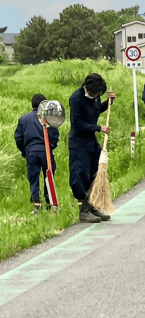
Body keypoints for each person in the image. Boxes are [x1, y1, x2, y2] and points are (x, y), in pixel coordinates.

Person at [68, 73, 116, 223]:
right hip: (78, 142)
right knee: (80, 174)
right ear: (87, 89)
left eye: (99, 94)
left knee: (94, 172)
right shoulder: (76, 99)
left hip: (91, 141)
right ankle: (84, 210)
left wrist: (109, 102)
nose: (97, 96)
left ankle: (94, 206)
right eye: (95, 93)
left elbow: (95, 111)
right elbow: (77, 124)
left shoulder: (96, 96)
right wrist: (98, 128)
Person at [14, 94, 59, 214]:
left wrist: (25, 151)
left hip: (31, 152)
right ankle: (49, 201)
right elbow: (55, 136)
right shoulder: (48, 118)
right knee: (48, 176)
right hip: (46, 152)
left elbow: (18, 138)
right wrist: (50, 147)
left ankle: (36, 204)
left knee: (33, 178)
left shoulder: (23, 119)